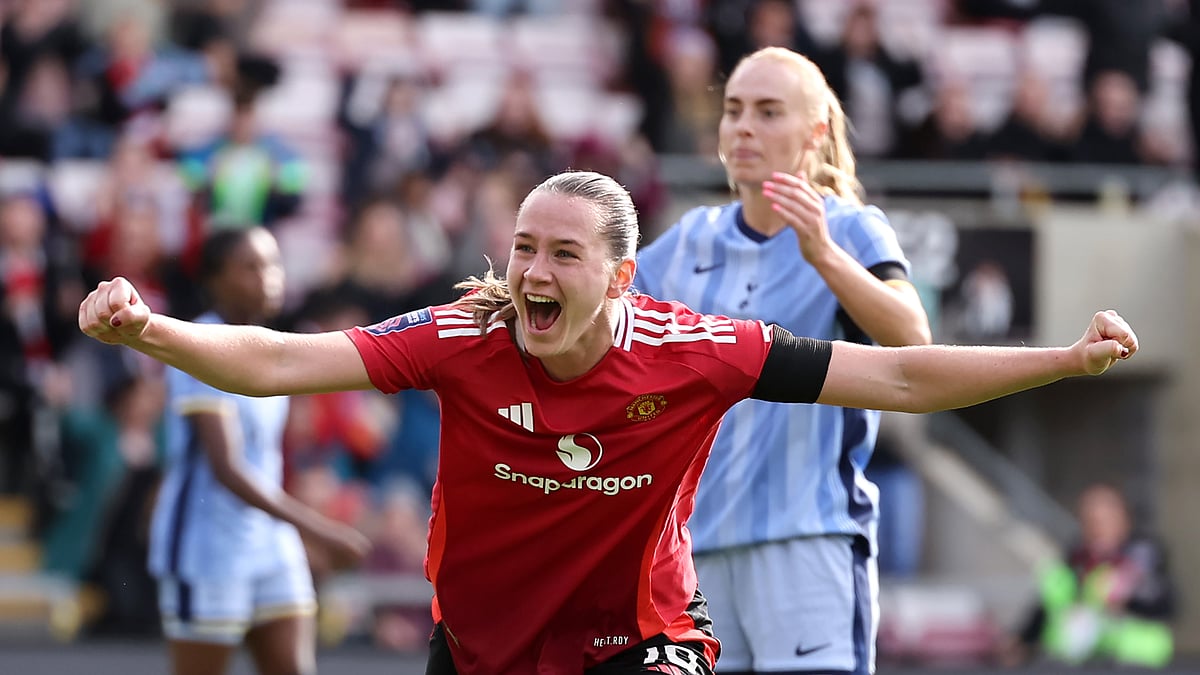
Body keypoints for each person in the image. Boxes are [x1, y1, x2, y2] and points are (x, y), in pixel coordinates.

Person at [79, 170, 1138, 675]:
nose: (532, 272)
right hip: (483, 647)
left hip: (644, 639)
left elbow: (903, 380)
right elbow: (272, 362)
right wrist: (148, 329)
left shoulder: (699, 352)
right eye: (524, 248)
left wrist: (1064, 361)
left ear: (621, 276)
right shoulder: (464, 337)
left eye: (563, 255)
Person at [634, 46, 932, 674]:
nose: (743, 127)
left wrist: (822, 256)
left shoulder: (852, 228)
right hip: (696, 556)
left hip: (809, 543)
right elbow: (608, 319)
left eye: (769, 112)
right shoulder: (688, 239)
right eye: (734, 110)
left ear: (815, 131)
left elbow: (913, 338)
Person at [143, 227, 370, 675]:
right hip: (206, 548)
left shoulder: (269, 345)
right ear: (214, 279)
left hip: (269, 541)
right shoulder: (199, 344)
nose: (268, 277)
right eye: (250, 267)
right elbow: (227, 468)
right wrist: (319, 530)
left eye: (273, 265)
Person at [1000, 483, 1177, 668]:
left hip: (1134, 662)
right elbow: (1046, 608)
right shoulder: (1074, 560)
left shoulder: (1142, 558)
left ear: (1124, 520)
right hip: (1076, 662)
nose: (1098, 529)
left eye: (1105, 520)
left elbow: (1165, 603)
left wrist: (1125, 601)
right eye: (1090, 521)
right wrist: (1021, 639)